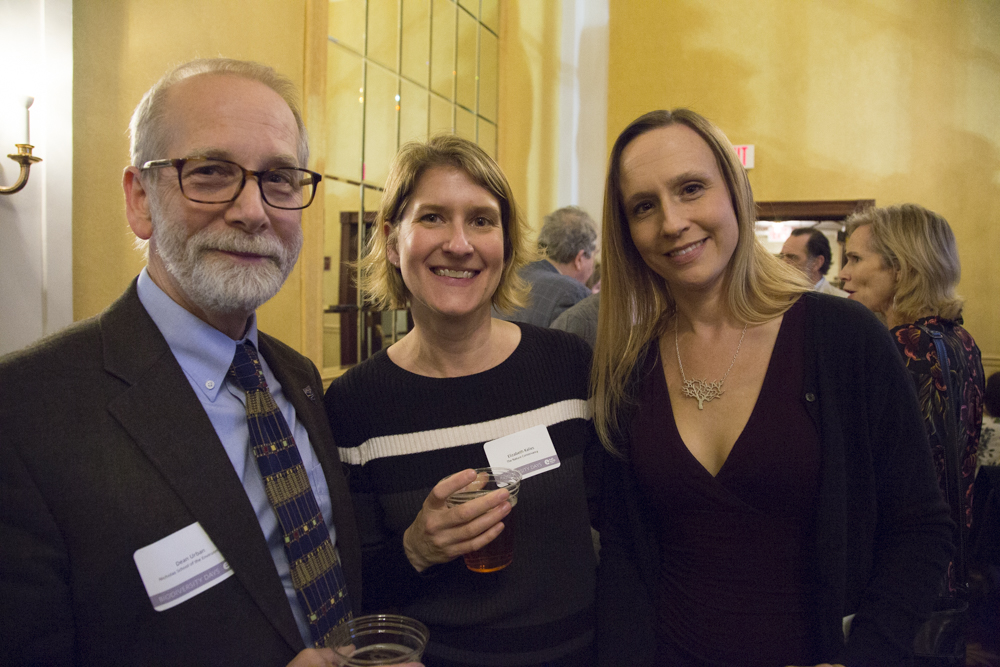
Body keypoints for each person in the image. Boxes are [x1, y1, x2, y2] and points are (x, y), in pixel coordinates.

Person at [0, 59, 364, 667]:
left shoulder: (297, 378)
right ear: (139, 199)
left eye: (278, 178)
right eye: (212, 173)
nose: (253, 210)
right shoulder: (24, 412)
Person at [591, 109, 953, 666]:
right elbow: (625, 554)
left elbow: (919, 529)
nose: (671, 222)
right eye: (644, 206)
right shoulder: (629, 365)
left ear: (734, 193)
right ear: (627, 233)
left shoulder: (842, 337)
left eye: (691, 189)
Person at [325, 135, 600, 667]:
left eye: (481, 220)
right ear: (390, 240)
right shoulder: (354, 405)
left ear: (506, 244)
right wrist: (415, 550)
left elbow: (623, 533)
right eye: (432, 218)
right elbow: (349, 588)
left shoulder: (568, 367)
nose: (459, 243)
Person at [840, 204, 985, 567]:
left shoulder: (903, 347)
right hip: (950, 550)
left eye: (855, 259)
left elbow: (870, 474)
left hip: (900, 558)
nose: (843, 274)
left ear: (901, 269)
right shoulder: (960, 338)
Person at [498, 205, 597, 325]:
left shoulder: (509, 277)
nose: (594, 265)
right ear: (579, 259)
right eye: (594, 255)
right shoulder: (573, 293)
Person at [780, 226, 848, 296]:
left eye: (792, 257)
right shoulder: (778, 299)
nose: (782, 263)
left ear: (817, 263)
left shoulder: (843, 301)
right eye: (782, 256)